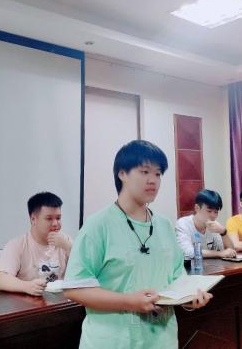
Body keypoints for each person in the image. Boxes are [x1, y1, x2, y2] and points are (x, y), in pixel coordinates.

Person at [64, 140, 212, 349]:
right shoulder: (98, 225)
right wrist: (129, 301)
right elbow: (74, 289)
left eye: (158, 174)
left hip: (162, 340)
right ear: (122, 173)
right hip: (113, 341)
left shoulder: (164, 225)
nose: (153, 180)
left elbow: (177, 278)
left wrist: (188, 297)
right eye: (144, 172)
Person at [0, 192, 72, 296]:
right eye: (49, 218)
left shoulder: (65, 241)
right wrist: (26, 286)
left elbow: (87, 274)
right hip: (29, 302)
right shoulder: (17, 245)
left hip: (60, 301)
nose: (55, 223)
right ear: (33, 219)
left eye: (58, 218)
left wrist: (69, 247)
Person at [175, 189, 236, 259]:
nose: (213, 216)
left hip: (212, 265)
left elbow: (230, 251)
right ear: (197, 208)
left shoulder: (215, 226)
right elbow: (188, 252)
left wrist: (223, 232)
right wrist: (219, 253)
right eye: (209, 211)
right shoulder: (183, 223)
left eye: (216, 212)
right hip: (191, 265)